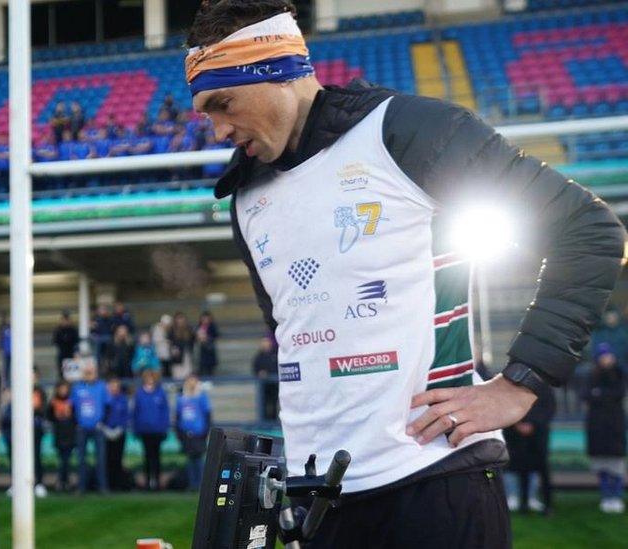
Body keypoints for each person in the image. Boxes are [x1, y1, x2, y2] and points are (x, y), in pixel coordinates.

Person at [185, 2, 625, 547]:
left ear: (272, 69)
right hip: (313, 498)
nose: (218, 129)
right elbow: (291, 335)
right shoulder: (245, 196)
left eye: (221, 103)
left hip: (432, 487)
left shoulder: (405, 130)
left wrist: (522, 382)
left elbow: (588, 230)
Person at [582, 343, 626, 513]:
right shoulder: (591, 375)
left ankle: (616, 497)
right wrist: (602, 395)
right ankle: (606, 497)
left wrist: (599, 394)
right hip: (597, 426)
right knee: (601, 465)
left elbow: (618, 393)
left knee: (616, 465)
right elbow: (586, 394)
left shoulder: (619, 374)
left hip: (615, 425)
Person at [503, 386, 555, 514]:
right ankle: (523, 503)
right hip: (517, 437)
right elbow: (508, 405)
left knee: (542, 470)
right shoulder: (515, 384)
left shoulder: (544, 387)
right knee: (521, 469)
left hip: (539, 436)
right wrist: (518, 423)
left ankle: (546, 504)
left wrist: (532, 424)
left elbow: (549, 408)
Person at [0, 368, 49, 498]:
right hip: (13, 429)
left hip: (34, 429)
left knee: (35, 457)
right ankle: (15, 484)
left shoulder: (38, 391)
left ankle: (38, 484)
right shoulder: (13, 390)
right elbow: (6, 412)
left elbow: (41, 409)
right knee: (14, 458)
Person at [71, 363, 110, 493]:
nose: (89, 375)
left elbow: (108, 405)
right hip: (82, 428)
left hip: (97, 428)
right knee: (81, 459)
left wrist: (102, 421)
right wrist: (77, 422)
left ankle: (102, 487)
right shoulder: (77, 388)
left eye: (91, 372)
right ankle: (81, 487)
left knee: (100, 459)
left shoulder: (101, 387)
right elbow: (72, 407)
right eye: (87, 372)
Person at [133, 368, 170, 491]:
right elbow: (136, 412)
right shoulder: (139, 394)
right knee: (147, 458)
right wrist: (137, 428)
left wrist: (164, 427)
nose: (149, 379)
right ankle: (148, 483)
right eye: (147, 377)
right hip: (145, 431)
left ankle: (157, 484)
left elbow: (165, 412)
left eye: (151, 377)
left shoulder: (160, 393)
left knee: (157, 457)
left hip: (158, 430)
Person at [176, 375, 212, 490]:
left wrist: (205, 432)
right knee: (190, 459)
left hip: (199, 433)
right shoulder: (181, 398)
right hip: (186, 433)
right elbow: (177, 416)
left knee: (198, 459)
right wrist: (180, 433)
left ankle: (201, 484)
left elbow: (207, 416)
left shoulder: (202, 397)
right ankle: (192, 484)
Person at [46, 380, 78, 492]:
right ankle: (63, 482)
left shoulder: (71, 402)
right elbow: (49, 417)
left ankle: (63, 482)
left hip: (70, 435)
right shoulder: (53, 402)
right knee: (62, 460)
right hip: (59, 435)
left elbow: (75, 417)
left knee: (66, 461)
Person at [104, 377, 131, 491]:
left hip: (119, 432)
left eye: (116, 386)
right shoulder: (104, 399)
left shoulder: (123, 399)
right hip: (106, 433)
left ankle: (118, 485)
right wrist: (105, 429)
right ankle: (108, 484)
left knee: (118, 458)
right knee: (107, 459)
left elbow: (125, 416)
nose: (113, 388)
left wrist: (120, 429)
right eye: (111, 386)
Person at [252, 336, 279, 421]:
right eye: (264, 342)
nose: (266, 344)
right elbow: (255, 369)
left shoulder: (276, 355)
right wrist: (260, 373)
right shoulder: (258, 357)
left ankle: (274, 421)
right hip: (263, 386)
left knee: (274, 403)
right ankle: (264, 422)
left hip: (274, 384)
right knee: (264, 403)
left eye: (267, 342)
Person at [53, 310, 80, 378]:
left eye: (67, 320)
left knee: (72, 373)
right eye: (64, 320)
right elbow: (55, 341)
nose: (65, 322)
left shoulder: (73, 330)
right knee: (62, 372)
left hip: (71, 354)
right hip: (62, 354)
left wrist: (76, 353)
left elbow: (76, 341)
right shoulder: (58, 330)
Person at [168, 312, 194, 380]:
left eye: (181, 318)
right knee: (177, 374)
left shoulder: (189, 329)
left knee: (188, 373)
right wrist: (173, 349)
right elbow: (170, 341)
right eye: (178, 319)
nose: (180, 320)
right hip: (177, 356)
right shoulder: (172, 330)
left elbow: (192, 340)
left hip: (187, 354)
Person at [196, 311, 220, 377]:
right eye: (204, 319)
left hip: (210, 350)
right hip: (202, 351)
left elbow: (216, 335)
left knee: (210, 369)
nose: (205, 320)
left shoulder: (212, 327)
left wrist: (207, 338)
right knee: (202, 368)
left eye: (207, 319)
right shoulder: (199, 326)